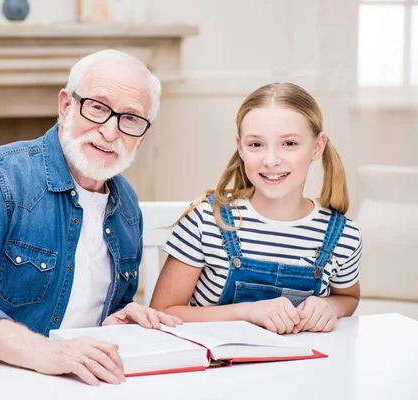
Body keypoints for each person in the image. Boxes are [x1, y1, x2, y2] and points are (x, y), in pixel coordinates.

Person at [0, 49, 181, 386]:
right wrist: (44, 352)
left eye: (130, 119)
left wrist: (115, 319)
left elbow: (93, 305)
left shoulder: (126, 204)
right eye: (98, 107)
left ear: (142, 136)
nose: (110, 132)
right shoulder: (1, 177)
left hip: (67, 383)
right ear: (65, 106)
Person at [150, 82, 362, 335]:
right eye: (256, 145)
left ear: (317, 147)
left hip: (303, 369)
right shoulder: (207, 220)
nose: (271, 160)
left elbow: (348, 298)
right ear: (240, 147)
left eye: (290, 144)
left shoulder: (343, 236)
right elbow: (163, 311)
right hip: (215, 370)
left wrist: (330, 307)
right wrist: (247, 313)